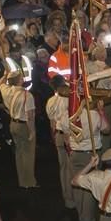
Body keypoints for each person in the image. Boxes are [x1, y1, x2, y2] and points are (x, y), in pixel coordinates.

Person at [64, 100, 109, 221]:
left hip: (75, 155)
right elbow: (107, 130)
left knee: (77, 185)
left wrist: (72, 149)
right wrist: (101, 112)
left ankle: (81, 214)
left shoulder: (67, 115)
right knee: (89, 187)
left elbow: (65, 136)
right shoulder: (93, 115)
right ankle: (87, 220)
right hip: (90, 156)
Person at [0, 68, 37, 189]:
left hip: (13, 124)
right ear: (19, 80)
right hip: (23, 125)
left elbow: (0, 83)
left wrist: (4, 75)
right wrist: (32, 131)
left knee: (19, 153)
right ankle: (29, 182)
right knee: (28, 154)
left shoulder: (7, 91)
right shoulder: (27, 95)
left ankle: (21, 180)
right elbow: (30, 116)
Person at [45, 75, 74, 209]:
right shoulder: (69, 100)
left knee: (63, 168)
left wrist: (54, 136)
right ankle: (72, 198)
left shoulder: (50, 101)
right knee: (71, 167)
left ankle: (66, 197)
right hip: (69, 136)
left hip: (58, 135)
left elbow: (52, 122)